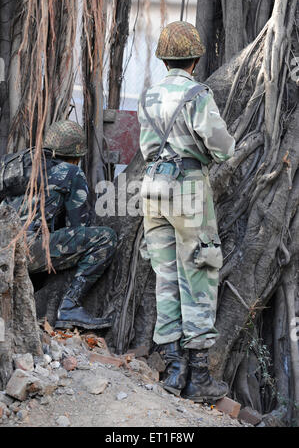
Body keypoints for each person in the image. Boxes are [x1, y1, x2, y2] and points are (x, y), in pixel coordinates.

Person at [138, 21, 235, 402]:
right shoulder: (197, 93)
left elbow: (147, 148)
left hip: (152, 187)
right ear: (195, 59)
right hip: (188, 187)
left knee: (164, 275)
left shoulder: (148, 95)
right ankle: (197, 377)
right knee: (199, 270)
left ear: (163, 59)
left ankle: (173, 369)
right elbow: (223, 146)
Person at [3, 120, 117, 330]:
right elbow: (79, 225)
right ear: (75, 155)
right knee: (104, 237)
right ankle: (69, 307)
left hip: (4, 249)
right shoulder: (70, 172)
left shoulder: (13, 164)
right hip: (26, 251)